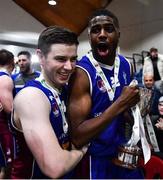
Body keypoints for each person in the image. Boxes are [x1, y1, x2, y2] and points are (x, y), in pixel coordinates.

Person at [67, 9, 144, 179]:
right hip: (96, 159)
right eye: (96, 30)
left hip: (123, 152)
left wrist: (136, 124)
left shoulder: (126, 64)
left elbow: (127, 112)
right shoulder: (82, 73)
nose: (102, 34)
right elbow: (78, 137)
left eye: (108, 29)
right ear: (89, 37)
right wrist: (120, 104)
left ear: (118, 34)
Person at [10, 26, 87, 179]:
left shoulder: (65, 89)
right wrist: (80, 152)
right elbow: (54, 167)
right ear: (40, 56)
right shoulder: (32, 97)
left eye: (73, 59)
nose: (69, 67)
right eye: (60, 59)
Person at [0, 49, 15, 178]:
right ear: (12, 62)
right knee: (7, 167)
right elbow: (9, 109)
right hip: (3, 128)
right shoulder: (5, 78)